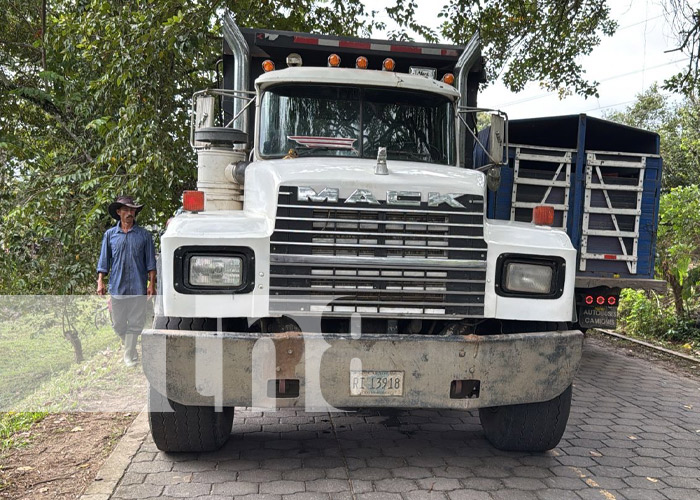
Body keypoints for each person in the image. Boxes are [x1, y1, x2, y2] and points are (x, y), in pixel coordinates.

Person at [97, 195, 156, 367]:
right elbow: (104, 260)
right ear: (118, 212)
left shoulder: (144, 235)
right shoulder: (110, 235)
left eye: (132, 210)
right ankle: (130, 348)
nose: (130, 213)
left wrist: (151, 284)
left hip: (138, 285)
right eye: (126, 210)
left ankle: (128, 355)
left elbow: (150, 263)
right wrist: (100, 281)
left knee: (136, 322)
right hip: (117, 285)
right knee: (118, 324)